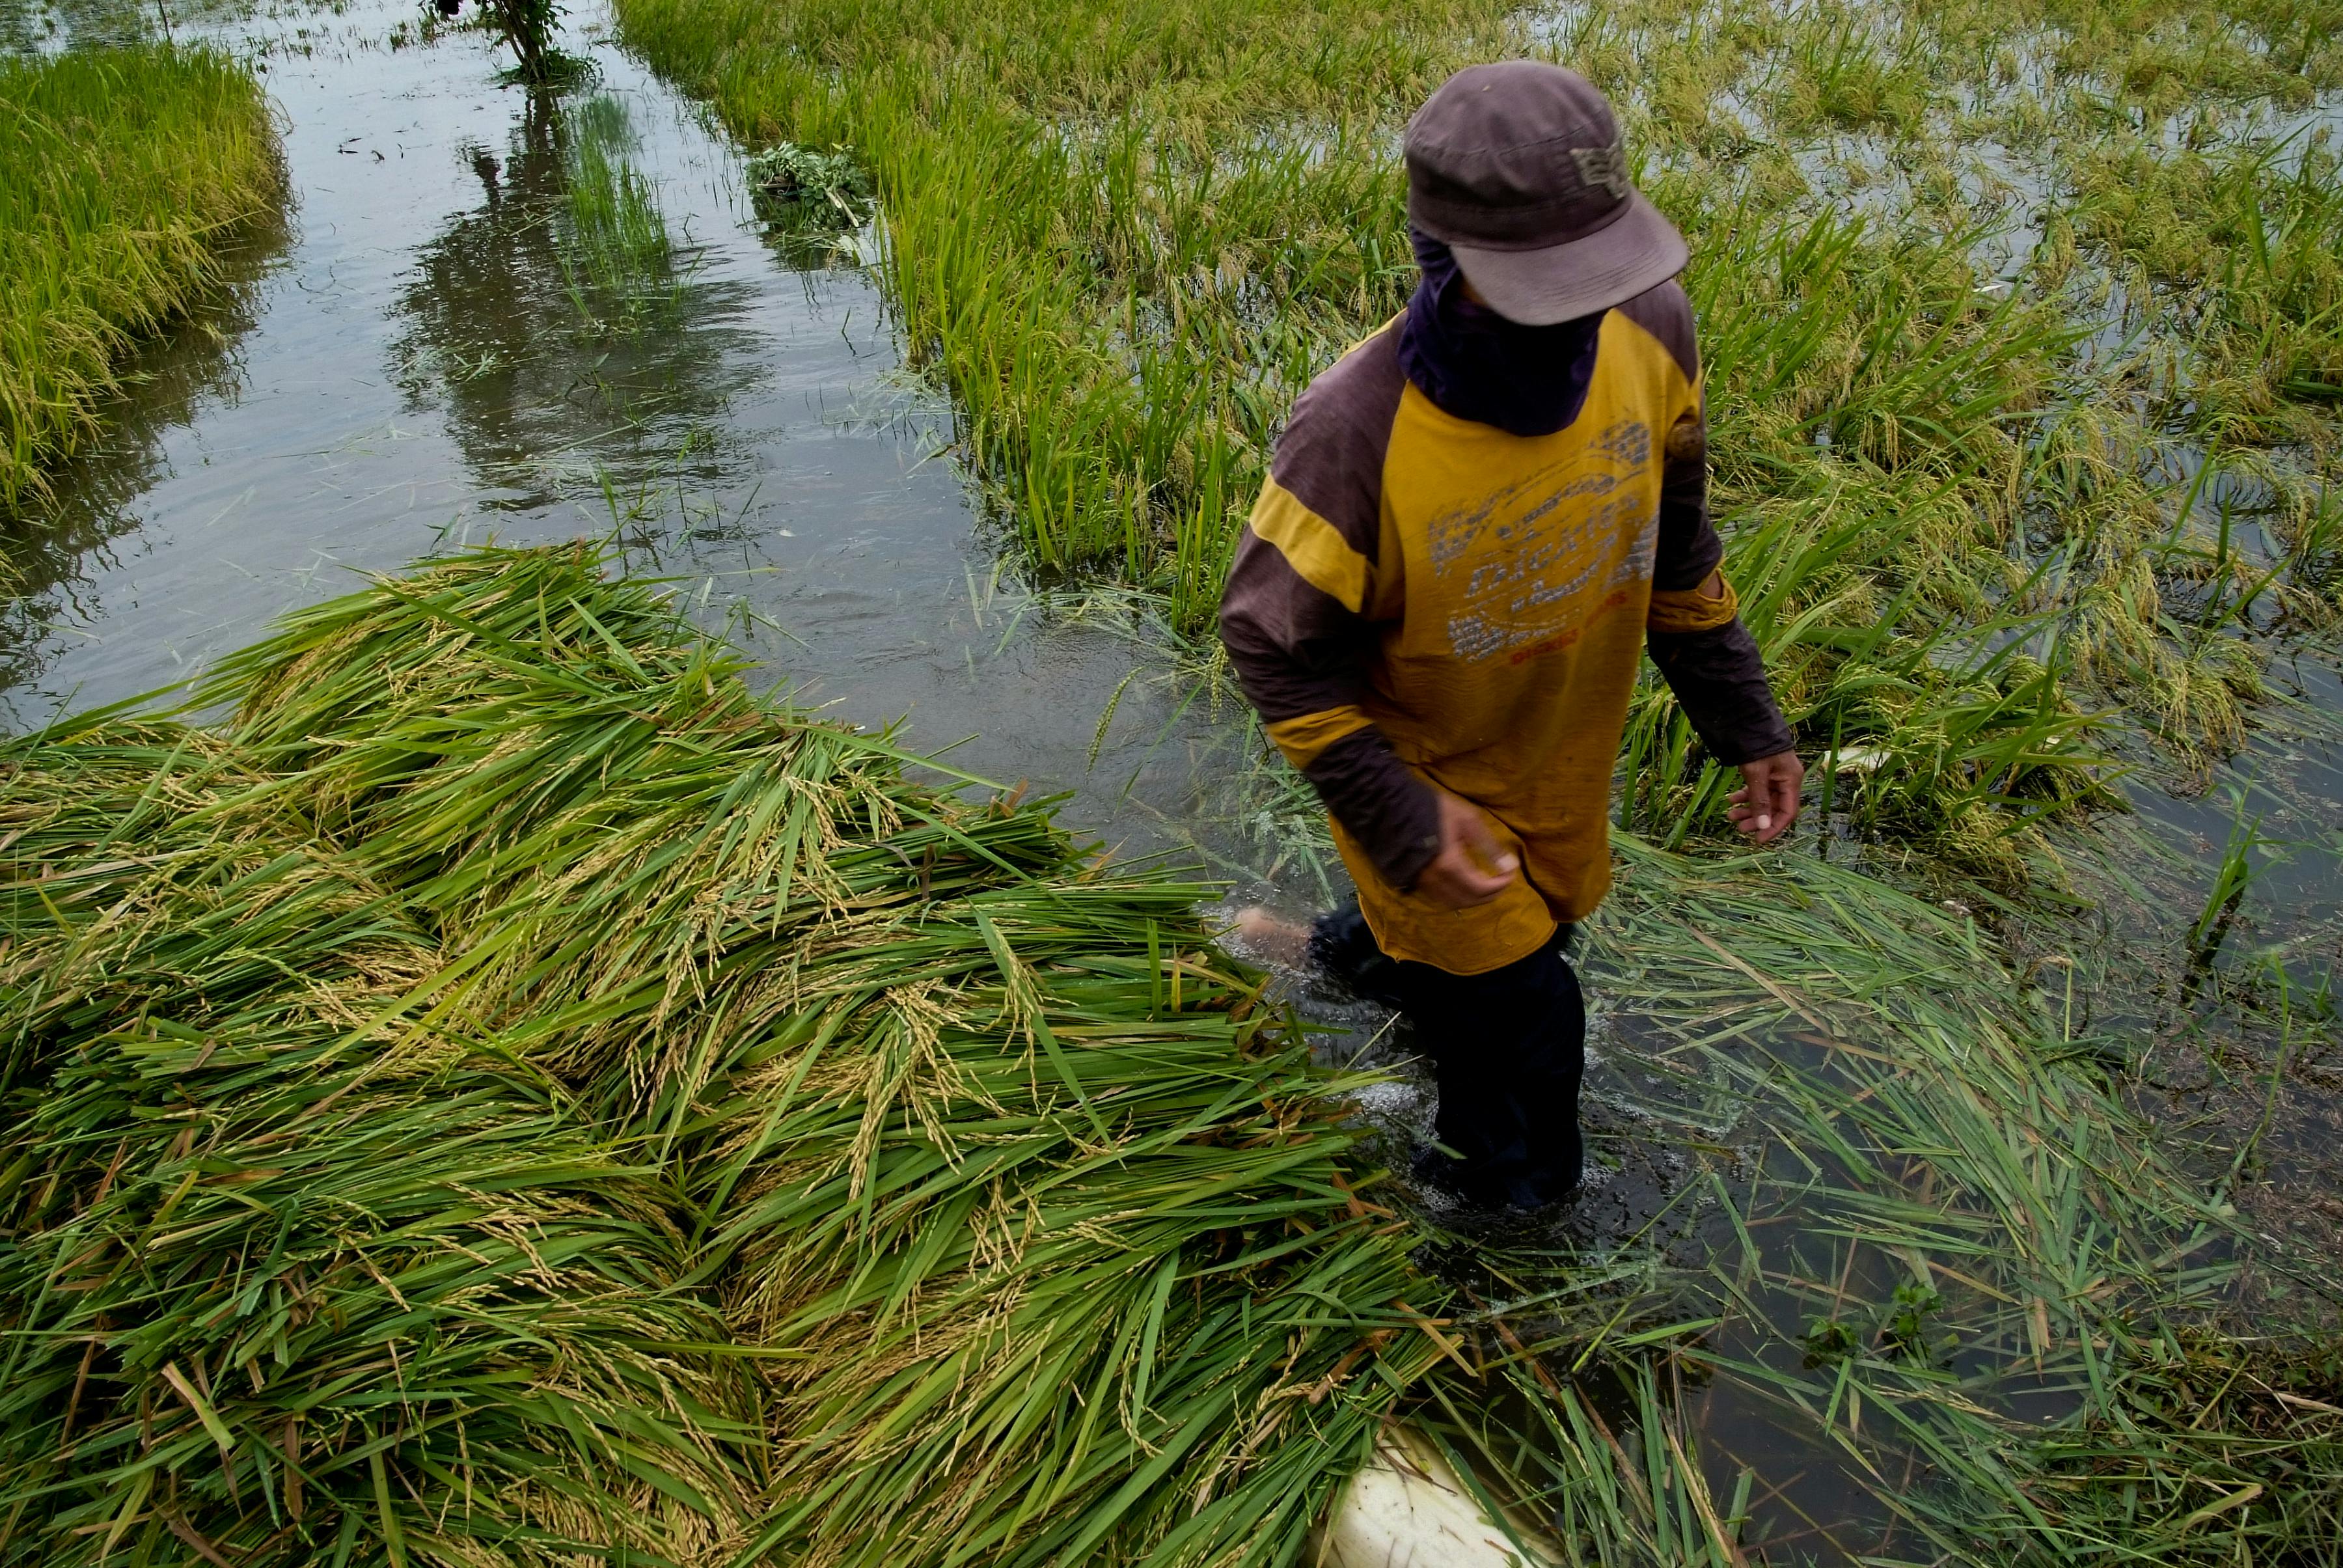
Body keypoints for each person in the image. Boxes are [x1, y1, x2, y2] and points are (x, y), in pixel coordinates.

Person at [1219, 61, 1803, 1215]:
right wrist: (1402, 816)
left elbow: (1678, 546)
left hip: (1556, 765)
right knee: (1528, 1060)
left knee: (1486, 963)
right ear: (1445, 259)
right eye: (1547, 291)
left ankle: (1332, 958)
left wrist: (1747, 722)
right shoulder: (1353, 432)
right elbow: (1273, 647)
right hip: (1432, 790)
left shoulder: (1654, 329)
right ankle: (1494, 1242)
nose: (1583, 319)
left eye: (1600, 279)